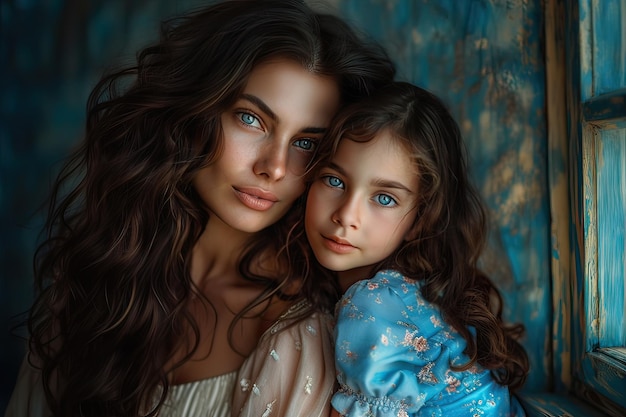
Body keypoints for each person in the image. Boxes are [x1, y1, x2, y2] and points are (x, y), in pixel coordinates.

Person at [4, 1, 395, 416]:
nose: (274, 167)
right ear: (192, 112)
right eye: (251, 119)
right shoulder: (99, 268)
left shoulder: (300, 332)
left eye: (306, 143)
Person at [302, 81, 529, 416]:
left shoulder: (375, 304)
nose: (346, 216)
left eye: (384, 198)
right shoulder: (412, 291)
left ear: (421, 220)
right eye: (335, 180)